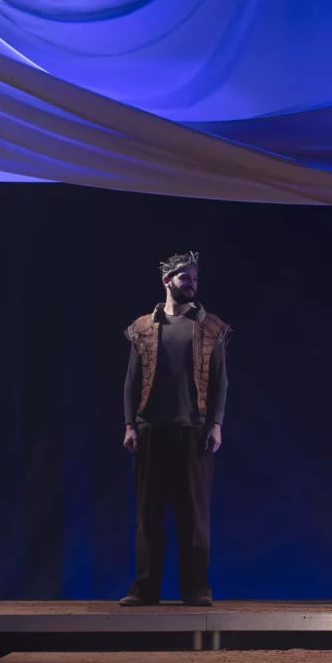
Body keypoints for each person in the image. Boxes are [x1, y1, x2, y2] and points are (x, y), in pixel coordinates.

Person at [119, 252, 231, 607]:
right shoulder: (143, 327)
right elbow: (131, 380)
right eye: (185, 278)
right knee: (149, 514)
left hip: (193, 431)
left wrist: (216, 424)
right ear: (167, 281)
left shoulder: (210, 327)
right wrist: (130, 424)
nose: (192, 284)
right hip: (151, 429)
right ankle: (144, 588)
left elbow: (221, 381)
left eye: (195, 278)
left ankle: (196, 588)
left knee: (194, 516)